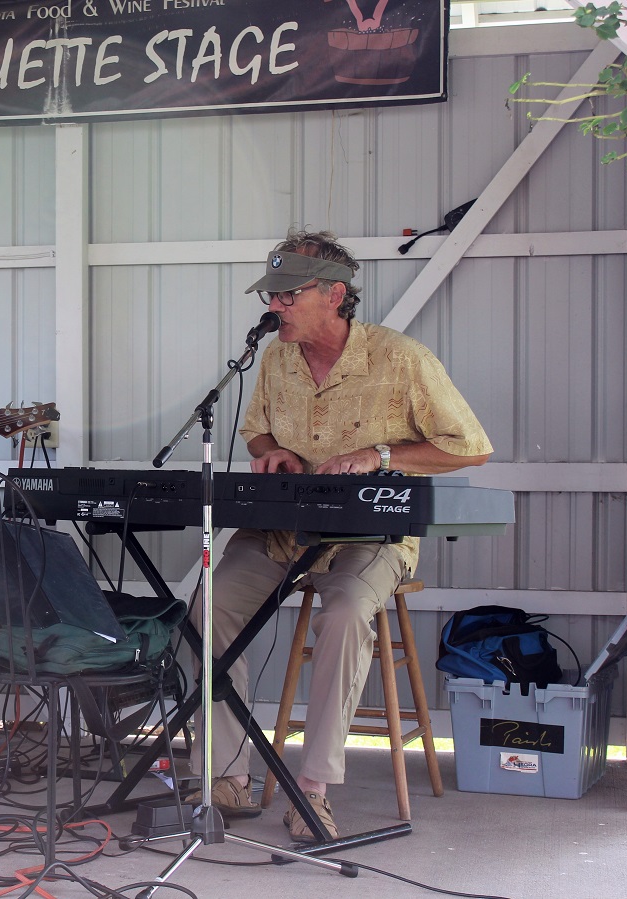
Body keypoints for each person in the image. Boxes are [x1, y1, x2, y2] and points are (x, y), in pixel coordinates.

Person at [193, 229, 492, 841]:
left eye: (288, 295)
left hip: (371, 534)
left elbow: (471, 448)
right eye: (271, 295)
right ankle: (227, 775)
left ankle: (313, 790)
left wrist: (380, 455)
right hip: (282, 528)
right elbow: (256, 431)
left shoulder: (401, 358)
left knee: (348, 612)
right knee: (209, 606)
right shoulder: (275, 358)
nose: (275, 306)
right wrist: (271, 452)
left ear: (334, 295)